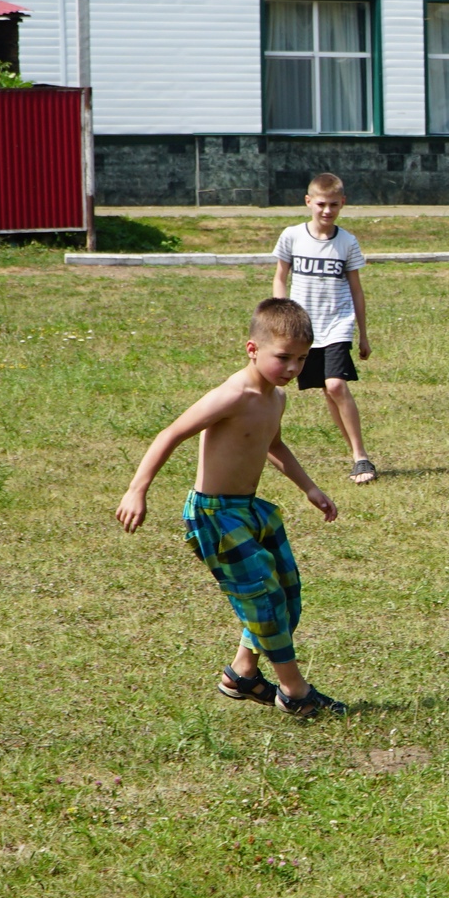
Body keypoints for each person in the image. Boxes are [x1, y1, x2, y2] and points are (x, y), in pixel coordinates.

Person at [116, 297, 347, 718]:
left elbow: (272, 445)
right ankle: (295, 692)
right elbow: (171, 433)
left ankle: (243, 674)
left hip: (250, 509)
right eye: (284, 358)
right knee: (263, 599)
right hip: (215, 515)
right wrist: (137, 489)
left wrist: (309, 488)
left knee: (286, 594)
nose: (293, 369)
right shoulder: (233, 394)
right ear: (252, 349)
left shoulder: (276, 399)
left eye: (301, 359)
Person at [273, 173, 378, 485]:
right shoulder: (292, 236)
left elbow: (356, 289)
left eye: (333, 204)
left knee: (335, 385)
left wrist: (363, 334)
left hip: (337, 324)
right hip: (304, 327)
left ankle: (361, 456)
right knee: (322, 389)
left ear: (343, 203)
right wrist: (283, 315)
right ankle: (259, 444)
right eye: (321, 204)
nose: (327, 210)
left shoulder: (347, 242)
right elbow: (280, 276)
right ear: (308, 202)